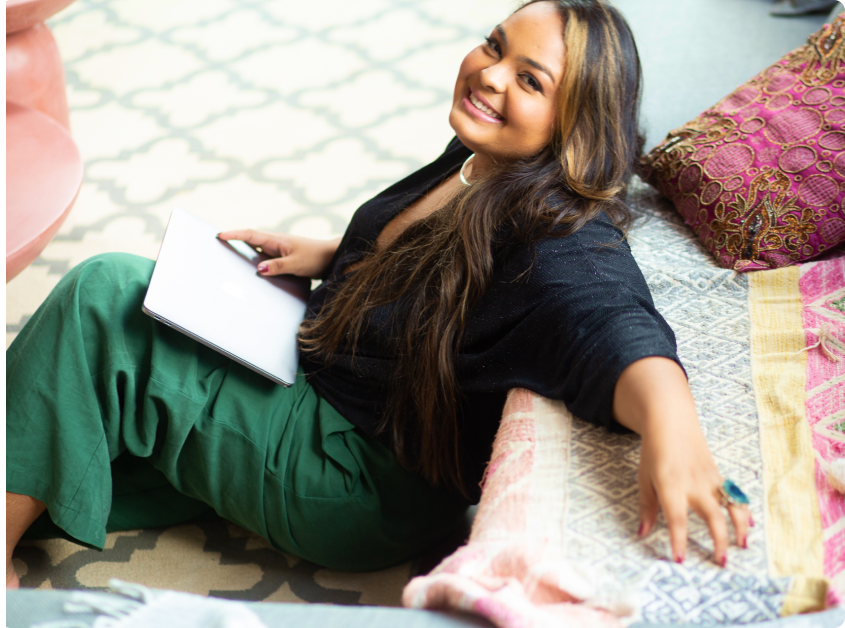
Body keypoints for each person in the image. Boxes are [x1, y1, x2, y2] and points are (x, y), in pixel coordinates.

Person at [6, 0, 751, 589]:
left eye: (531, 81)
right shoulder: (483, 154)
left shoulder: (560, 241)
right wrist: (339, 252)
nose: (491, 76)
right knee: (90, 369)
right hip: (322, 381)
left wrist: (673, 427)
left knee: (100, 296)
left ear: (575, 124)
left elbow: (614, 325)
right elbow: (437, 254)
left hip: (350, 479)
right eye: (494, 46)